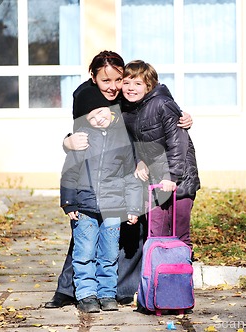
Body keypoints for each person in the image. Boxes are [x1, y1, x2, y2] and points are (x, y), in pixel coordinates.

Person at [45, 50, 194, 309]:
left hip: (151, 178)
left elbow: (168, 121)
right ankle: (73, 290)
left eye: (119, 80)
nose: (115, 87)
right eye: (108, 81)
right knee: (87, 235)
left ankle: (130, 289)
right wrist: (66, 141)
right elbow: (83, 136)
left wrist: (182, 121)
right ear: (94, 77)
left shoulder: (141, 97)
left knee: (135, 235)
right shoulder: (91, 95)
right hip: (110, 181)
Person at [60, 85, 142, 313]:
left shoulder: (122, 139)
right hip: (84, 207)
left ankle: (107, 293)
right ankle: (86, 294)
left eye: (100, 112)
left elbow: (130, 175)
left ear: (111, 109)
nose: (97, 119)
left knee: (108, 253)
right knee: (84, 252)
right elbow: (70, 172)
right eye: (91, 116)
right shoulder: (82, 139)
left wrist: (134, 206)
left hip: (113, 209)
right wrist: (69, 202)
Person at [121, 60, 200, 248]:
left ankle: (182, 277)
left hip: (179, 180)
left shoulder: (162, 104)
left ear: (149, 86)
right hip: (154, 182)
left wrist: (172, 176)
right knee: (156, 235)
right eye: (126, 82)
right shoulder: (127, 110)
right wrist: (138, 160)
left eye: (138, 83)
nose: (131, 88)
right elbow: (131, 142)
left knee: (179, 236)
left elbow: (177, 142)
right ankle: (158, 276)